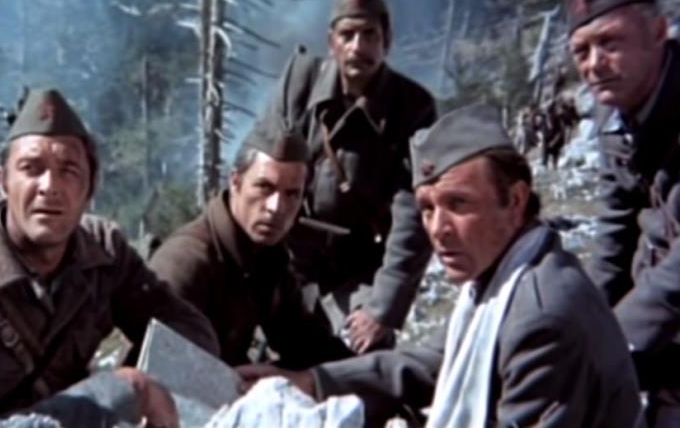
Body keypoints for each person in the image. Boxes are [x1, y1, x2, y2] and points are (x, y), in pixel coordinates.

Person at [237, 104, 642, 427]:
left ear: (515, 201)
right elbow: (432, 363)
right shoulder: (509, 276)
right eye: (427, 208)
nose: (438, 229)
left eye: (458, 203)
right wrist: (312, 382)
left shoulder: (540, 316)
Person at [0, 88, 219, 425]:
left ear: (90, 188)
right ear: (4, 182)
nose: (49, 186)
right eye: (31, 168)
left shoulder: (103, 254)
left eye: (68, 170)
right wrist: (120, 392)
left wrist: (144, 380)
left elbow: (189, 332)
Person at [259, 0, 437, 353]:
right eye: (348, 35)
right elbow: (258, 165)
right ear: (331, 42)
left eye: (370, 35)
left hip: (356, 269)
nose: (358, 47)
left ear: (387, 41)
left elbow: (412, 214)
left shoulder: (412, 108)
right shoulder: (299, 84)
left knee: (365, 354)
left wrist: (383, 308)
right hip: (286, 258)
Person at [149, 118, 353, 369]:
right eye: (265, 187)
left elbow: (305, 341)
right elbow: (156, 371)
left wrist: (371, 375)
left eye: (292, 194)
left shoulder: (267, 256)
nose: (276, 207)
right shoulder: (186, 263)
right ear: (236, 183)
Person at [566, 0, 680, 424]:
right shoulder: (612, 109)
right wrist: (585, 322)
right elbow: (616, 229)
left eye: (610, 43)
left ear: (658, 32)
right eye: (581, 51)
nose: (594, 65)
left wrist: (614, 340)